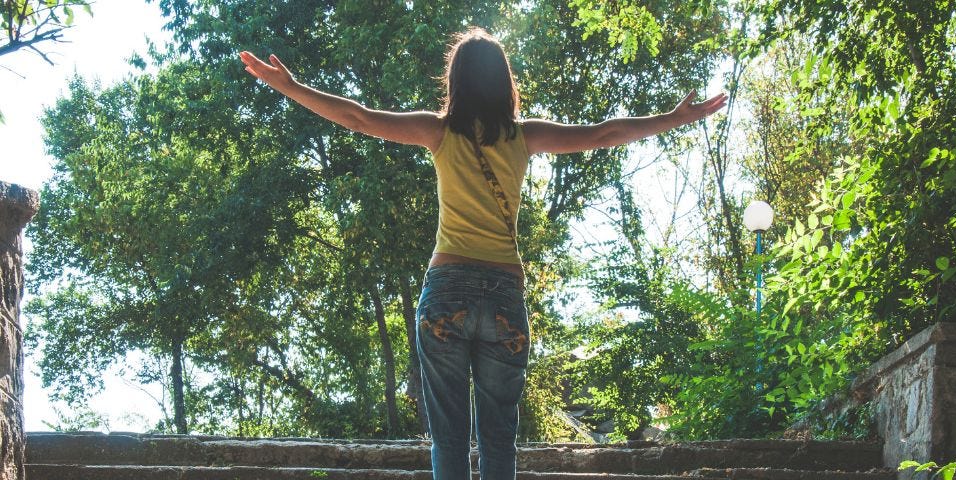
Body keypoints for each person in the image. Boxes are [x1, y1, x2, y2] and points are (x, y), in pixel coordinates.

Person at [239, 27, 727, 480]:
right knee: (499, 439)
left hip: (445, 292)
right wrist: (673, 118)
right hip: (503, 298)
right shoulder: (523, 136)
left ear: (456, 82)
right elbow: (603, 132)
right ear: (504, 82)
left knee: (449, 439)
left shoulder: (438, 131)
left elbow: (358, 117)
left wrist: (292, 86)